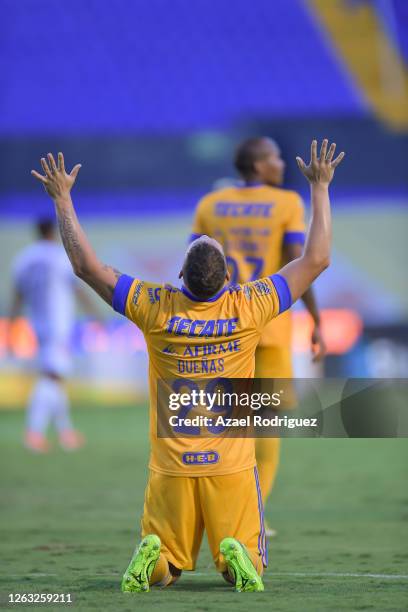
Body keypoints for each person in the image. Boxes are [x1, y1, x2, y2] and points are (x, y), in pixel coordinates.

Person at [31, 140, 344, 592]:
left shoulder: (154, 307)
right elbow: (316, 259)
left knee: (166, 568)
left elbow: (85, 265)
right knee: (248, 553)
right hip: (231, 468)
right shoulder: (248, 305)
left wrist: (62, 199)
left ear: (179, 277)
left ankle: (158, 560)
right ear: (229, 278)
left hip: (171, 467)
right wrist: (320, 188)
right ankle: (239, 554)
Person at [191, 137, 326, 523]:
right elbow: (298, 267)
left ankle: (215, 511)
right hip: (266, 325)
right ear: (258, 165)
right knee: (266, 428)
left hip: (221, 331)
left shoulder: (210, 205)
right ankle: (250, 517)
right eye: (275, 157)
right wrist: (315, 319)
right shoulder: (287, 203)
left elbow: (192, 267)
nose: (282, 163)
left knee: (227, 426)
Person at [9, 218, 93, 452]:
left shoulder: (24, 259)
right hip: (58, 324)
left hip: (38, 325)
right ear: (52, 233)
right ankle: (33, 433)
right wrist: (94, 313)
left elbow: (17, 295)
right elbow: (77, 287)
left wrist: (12, 325)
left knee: (55, 376)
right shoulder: (58, 256)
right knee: (51, 377)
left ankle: (65, 433)